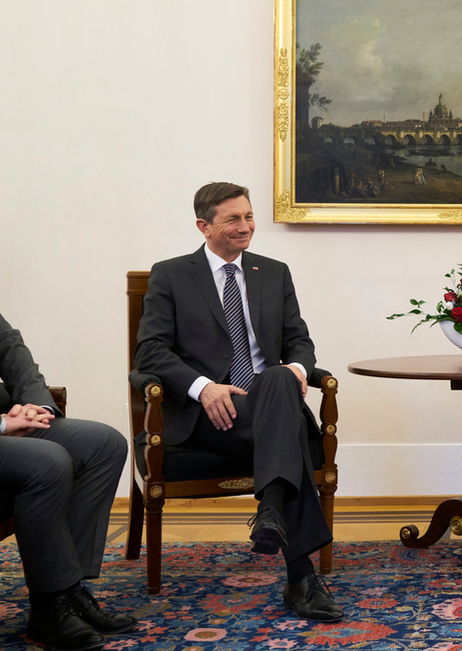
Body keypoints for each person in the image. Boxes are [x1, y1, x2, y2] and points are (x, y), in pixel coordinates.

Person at [133, 182, 343, 622]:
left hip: (271, 400)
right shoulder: (171, 274)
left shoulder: (274, 271)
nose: (245, 226)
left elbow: (299, 342)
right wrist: (203, 387)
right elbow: (150, 351)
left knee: (278, 381)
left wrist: (298, 370)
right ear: (203, 226)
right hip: (209, 413)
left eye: (249, 217)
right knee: (285, 414)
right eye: (233, 219)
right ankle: (300, 578)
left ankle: (272, 513)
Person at [0, 314, 136, 650]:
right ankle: (48, 607)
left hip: (8, 419)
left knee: (105, 443)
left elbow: (10, 347)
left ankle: (69, 592)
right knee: (48, 461)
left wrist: (36, 406)